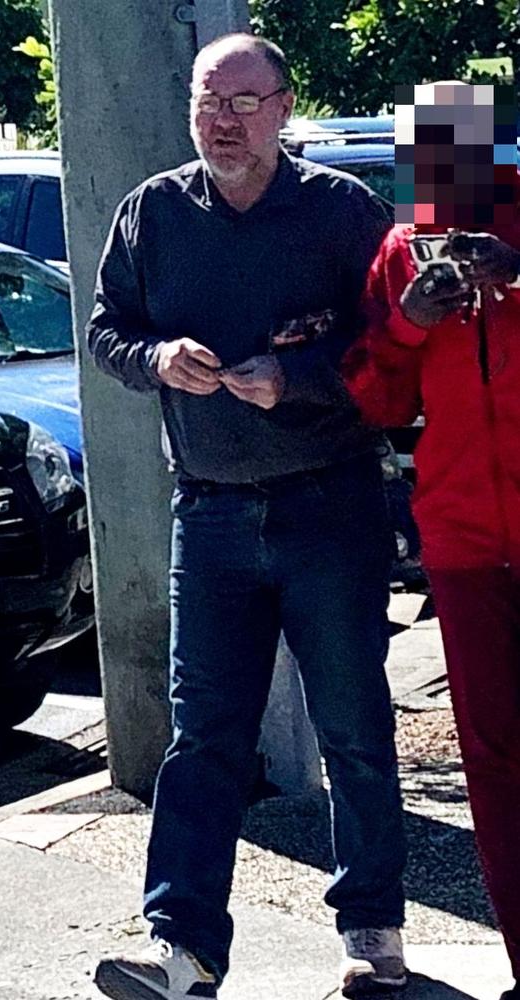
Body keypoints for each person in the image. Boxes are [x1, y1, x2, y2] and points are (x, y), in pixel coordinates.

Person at [89, 32, 407, 1000]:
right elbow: (107, 329)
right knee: (202, 735)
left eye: (240, 100)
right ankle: (182, 949)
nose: (220, 120)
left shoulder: (341, 213)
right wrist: (154, 360)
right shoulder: (151, 212)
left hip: (328, 504)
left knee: (350, 723)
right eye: (205, 100)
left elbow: (390, 357)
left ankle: (372, 929)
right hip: (211, 513)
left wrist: (297, 380)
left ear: (282, 106)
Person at [342, 81, 520, 1000]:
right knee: (491, 758)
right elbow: (373, 397)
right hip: (460, 534)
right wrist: (413, 316)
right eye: (430, 167)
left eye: (468, 162)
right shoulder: (398, 252)